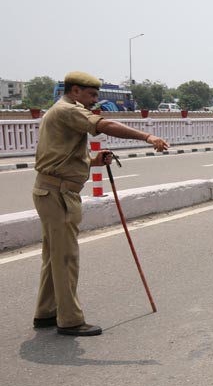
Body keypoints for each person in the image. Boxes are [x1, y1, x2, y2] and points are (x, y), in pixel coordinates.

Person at [32, 71, 170, 337]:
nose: (95, 101)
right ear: (75, 91)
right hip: (57, 194)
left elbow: (64, 155)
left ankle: (46, 312)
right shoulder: (68, 110)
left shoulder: (62, 113)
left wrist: (95, 160)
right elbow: (105, 125)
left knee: (53, 257)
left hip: (52, 190)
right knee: (65, 258)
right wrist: (148, 137)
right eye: (91, 95)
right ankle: (69, 320)